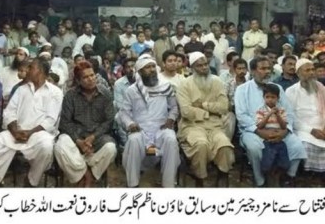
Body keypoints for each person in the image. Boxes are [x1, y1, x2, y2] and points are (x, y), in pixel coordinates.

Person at [0, 57, 64, 187]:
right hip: (16, 132)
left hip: (40, 134)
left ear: (40, 71)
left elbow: (50, 120)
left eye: (31, 67)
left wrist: (30, 133)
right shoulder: (21, 89)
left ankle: (31, 181)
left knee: (46, 147)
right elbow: (9, 113)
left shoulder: (55, 92)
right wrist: (15, 131)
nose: (28, 70)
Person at [234, 56, 307, 187]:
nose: (267, 71)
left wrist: (284, 131)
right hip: (253, 131)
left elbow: (289, 112)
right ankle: (260, 180)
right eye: (263, 68)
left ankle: (287, 176)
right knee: (254, 148)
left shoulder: (277, 87)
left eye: (269, 68)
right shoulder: (242, 90)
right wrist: (261, 132)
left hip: (279, 129)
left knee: (297, 145)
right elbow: (242, 116)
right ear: (252, 71)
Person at [116, 56, 179, 188]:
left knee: (171, 139)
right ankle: (133, 184)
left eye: (152, 67)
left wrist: (171, 119)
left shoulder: (165, 86)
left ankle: (168, 184)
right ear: (139, 72)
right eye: (147, 67)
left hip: (161, 129)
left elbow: (173, 107)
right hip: (141, 130)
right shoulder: (132, 90)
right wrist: (130, 124)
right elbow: (124, 113)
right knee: (133, 140)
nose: (151, 70)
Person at [55, 61, 117, 187]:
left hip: (98, 137)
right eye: (86, 77)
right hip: (76, 137)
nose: (91, 79)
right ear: (78, 80)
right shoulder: (70, 96)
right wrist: (78, 141)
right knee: (60, 146)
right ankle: (84, 174)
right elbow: (65, 122)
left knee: (111, 148)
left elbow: (109, 121)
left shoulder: (105, 94)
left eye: (92, 75)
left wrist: (93, 137)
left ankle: (90, 175)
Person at [176, 52, 234, 186]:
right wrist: (210, 113)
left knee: (224, 145)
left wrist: (203, 105)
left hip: (215, 126)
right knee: (201, 145)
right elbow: (186, 111)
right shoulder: (184, 84)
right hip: (192, 127)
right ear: (192, 68)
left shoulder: (217, 81)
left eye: (206, 64)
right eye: (200, 66)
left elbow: (224, 107)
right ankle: (199, 178)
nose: (204, 68)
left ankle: (222, 174)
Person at [255, 83, 291, 181]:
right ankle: (268, 175)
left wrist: (278, 115)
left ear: (278, 98)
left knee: (284, 161)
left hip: (280, 138)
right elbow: (260, 126)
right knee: (268, 159)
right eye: (267, 97)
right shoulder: (260, 110)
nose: (270, 99)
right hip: (267, 138)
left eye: (273, 97)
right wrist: (269, 114)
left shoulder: (281, 110)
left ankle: (278, 174)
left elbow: (284, 126)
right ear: (263, 97)